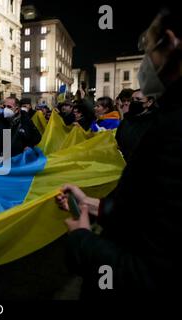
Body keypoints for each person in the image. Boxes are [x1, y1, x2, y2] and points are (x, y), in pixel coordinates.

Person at [55, 6, 182, 298]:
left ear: (171, 43)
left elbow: (151, 276)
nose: (143, 65)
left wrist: (81, 241)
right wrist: (92, 205)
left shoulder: (174, 131)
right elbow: (149, 212)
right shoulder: (167, 120)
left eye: (147, 49)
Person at [115, 89, 158, 161]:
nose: (134, 102)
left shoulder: (156, 122)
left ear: (149, 102)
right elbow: (117, 142)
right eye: (132, 99)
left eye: (138, 99)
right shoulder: (126, 121)